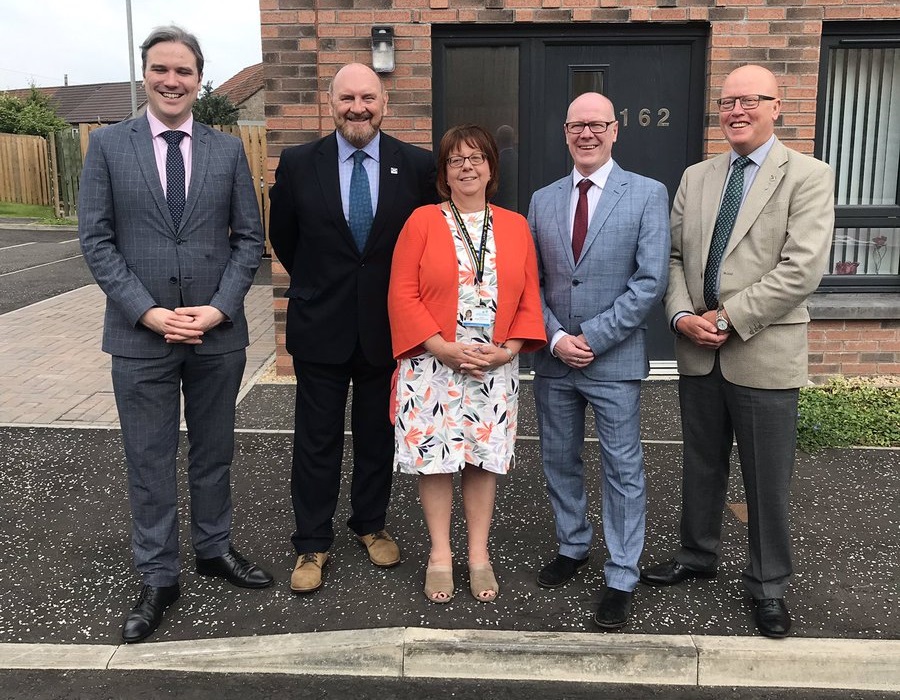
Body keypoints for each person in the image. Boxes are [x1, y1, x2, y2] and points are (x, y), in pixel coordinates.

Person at [78, 25, 272, 644]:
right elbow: (97, 241)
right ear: (145, 75)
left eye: (183, 71)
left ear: (199, 78)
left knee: (214, 452)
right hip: (141, 337)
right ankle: (158, 575)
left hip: (217, 334)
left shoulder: (226, 150)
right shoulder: (108, 147)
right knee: (149, 459)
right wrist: (149, 311)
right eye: (161, 69)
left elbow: (248, 240)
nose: (172, 81)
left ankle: (215, 548)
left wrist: (218, 309)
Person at [639, 65, 835, 639]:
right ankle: (698, 555)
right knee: (701, 463)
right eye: (728, 102)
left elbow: (802, 270)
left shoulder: (808, 175)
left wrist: (725, 316)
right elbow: (672, 258)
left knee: (765, 479)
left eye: (751, 100)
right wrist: (680, 316)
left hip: (762, 350)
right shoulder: (697, 177)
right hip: (698, 349)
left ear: (778, 107)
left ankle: (768, 584)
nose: (738, 111)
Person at [268, 63, 438, 593]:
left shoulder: (416, 165)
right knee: (315, 440)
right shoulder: (299, 164)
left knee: (376, 434)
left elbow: (424, 248)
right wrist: (325, 287)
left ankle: (370, 524)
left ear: (384, 103)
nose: (357, 107)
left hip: (388, 329)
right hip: (321, 324)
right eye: (347, 98)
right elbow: (286, 240)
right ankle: (311, 543)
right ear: (331, 101)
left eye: (367, 97)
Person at [528, 92, 670, 629]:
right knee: (559, 460)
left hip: (612, 360)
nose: (586, 134)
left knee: (622, 469)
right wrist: (557, 336)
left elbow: (650, 280)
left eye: (596, 125)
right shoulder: (543, 200)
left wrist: (591, 336)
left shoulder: (647, 194)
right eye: (575, 125)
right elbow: (530, 282)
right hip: (555, 359)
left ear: (615, 130)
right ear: (565, 132)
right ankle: (572, 544)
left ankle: (622, 575)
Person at [388, 124, 545, 603]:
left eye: (477, 158)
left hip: (494, 368)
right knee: (436, 461)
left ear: (492, 167)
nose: (468, 167)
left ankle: (478, 554)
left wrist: (510, 351)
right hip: (433, 365)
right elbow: (401, 293)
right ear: (444, 173)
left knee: (482, 459)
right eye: (456, 160)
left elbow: (529, 299)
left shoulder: (515, 225)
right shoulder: (421, 221)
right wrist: (441, 347)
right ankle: (440, 555)